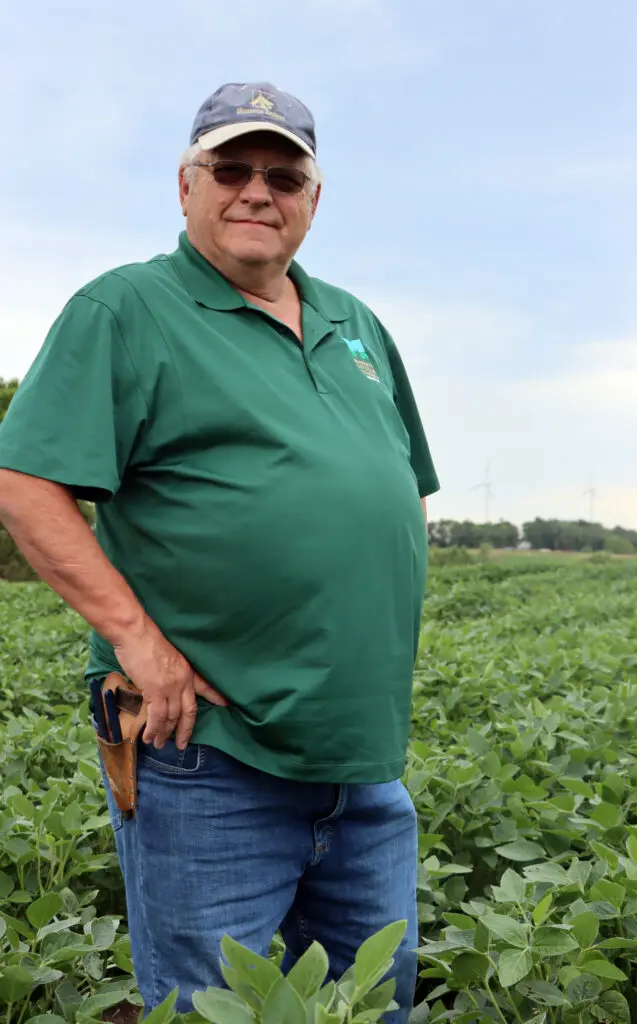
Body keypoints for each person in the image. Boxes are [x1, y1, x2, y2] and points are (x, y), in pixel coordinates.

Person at [0, 81, 439, 1020]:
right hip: (208, 758)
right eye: (230, 168)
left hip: (362, 764)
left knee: (373, 1006)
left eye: (283, 175)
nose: (256, 191)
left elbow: (400, 492)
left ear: (312, 199)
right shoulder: (126, 309)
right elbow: (25, 482)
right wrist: (136, 638)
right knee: (209, 1008)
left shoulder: (356, 326)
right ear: (186, 186)